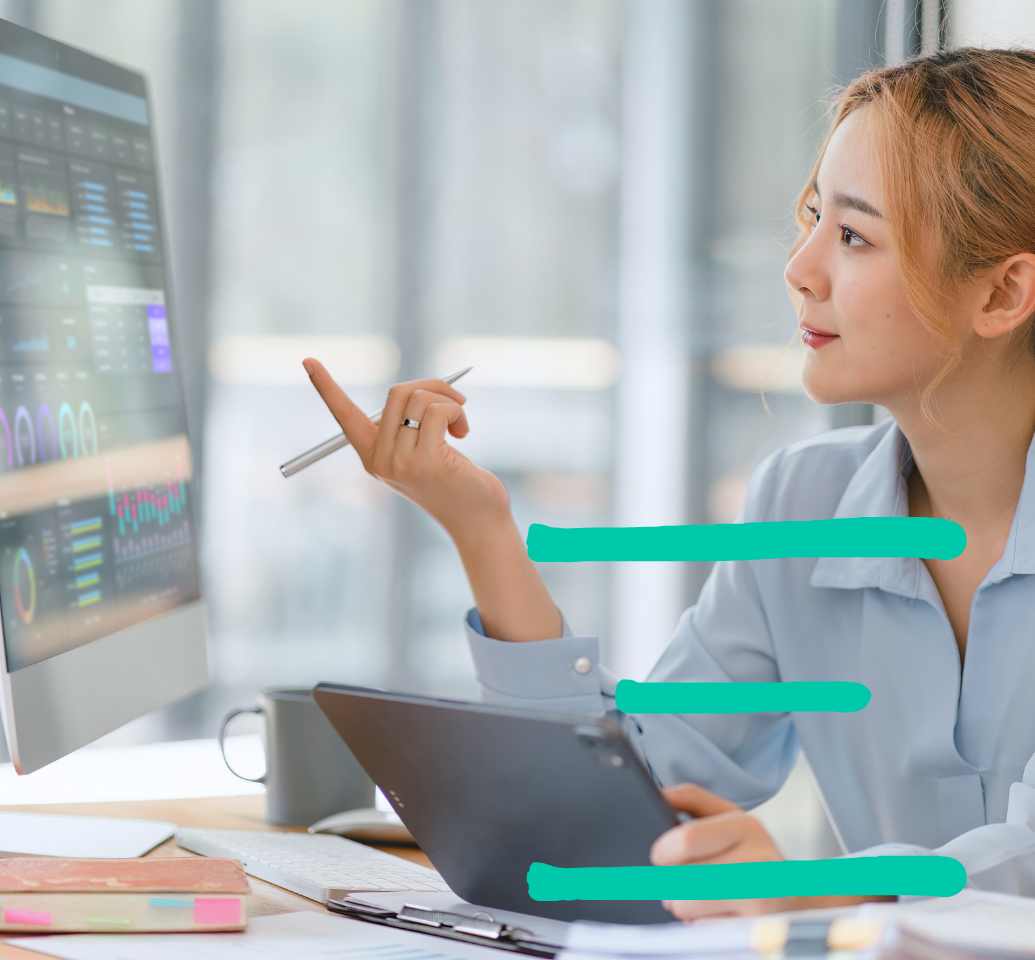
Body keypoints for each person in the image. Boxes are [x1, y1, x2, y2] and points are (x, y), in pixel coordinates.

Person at [303, 48, 1035, 919]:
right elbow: (633, 795)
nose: (799, 270)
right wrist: (481, 527)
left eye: (852, 236)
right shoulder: (800, 509)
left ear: (1003, 292)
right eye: (812, 219)